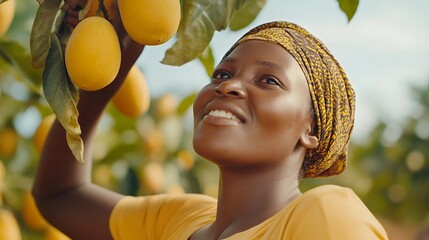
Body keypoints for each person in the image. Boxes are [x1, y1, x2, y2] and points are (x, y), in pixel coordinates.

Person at [33, 1, 389, 239]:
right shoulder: (181, 219)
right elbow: (59, 195)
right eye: (220, 75)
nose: (229, 85)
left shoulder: (326, 216)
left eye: (269, 80)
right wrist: (114, 61)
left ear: (310, 130)